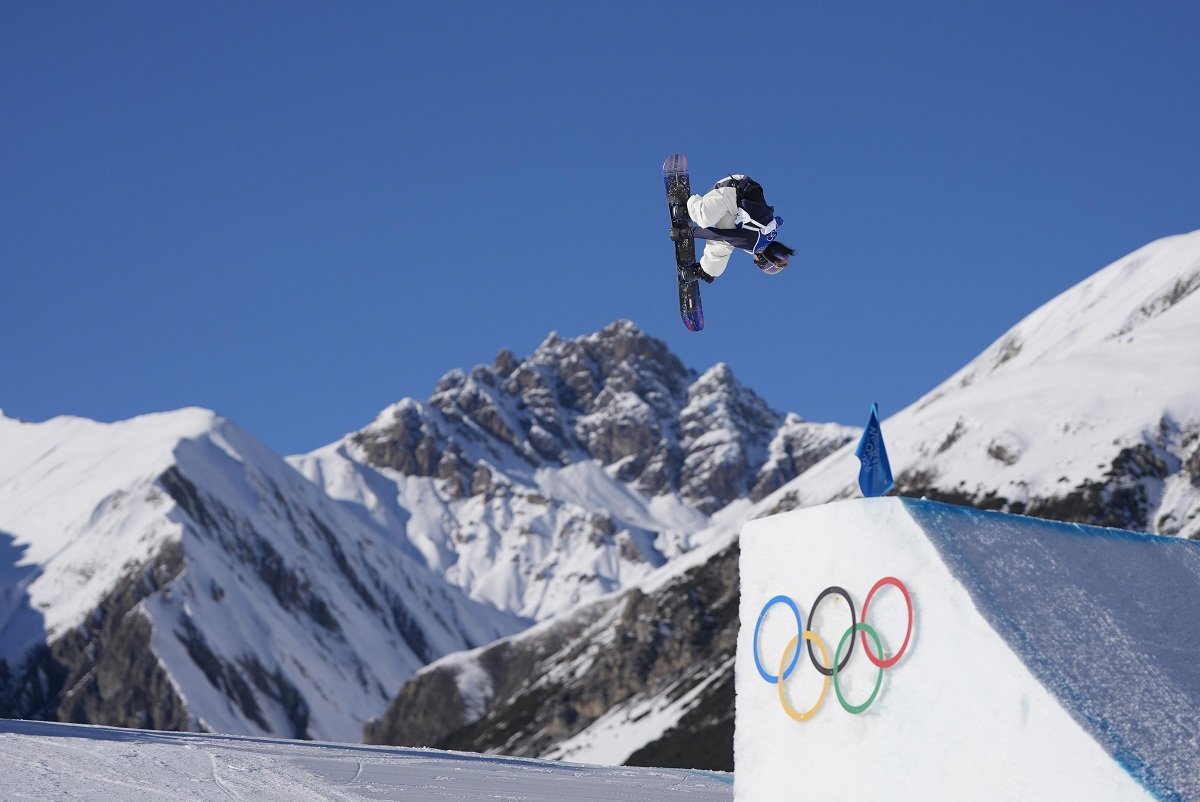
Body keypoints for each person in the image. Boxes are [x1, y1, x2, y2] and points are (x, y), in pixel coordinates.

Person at [671, 175, 794, 284]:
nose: (755, 262)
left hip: (735, 207)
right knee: (704, 218)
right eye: (758, 264)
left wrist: (709, 272)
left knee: (724, 246)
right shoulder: (753, 241)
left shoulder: (766, 235)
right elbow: (719, 235)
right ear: (762, 260)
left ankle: (705, 270)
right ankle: (688, 209)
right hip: (733, 188)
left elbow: (725, 239)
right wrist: (686, 233)